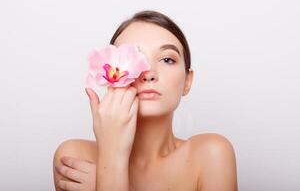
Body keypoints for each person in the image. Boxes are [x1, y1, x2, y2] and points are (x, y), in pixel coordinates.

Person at [53, 10, 237, 191]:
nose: (149, 74)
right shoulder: (75, 158)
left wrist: (106, 180)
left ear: (187, 81)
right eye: (134, 58)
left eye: (167, 59)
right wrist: (112, 157)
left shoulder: (211, 154)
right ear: (109, 74)